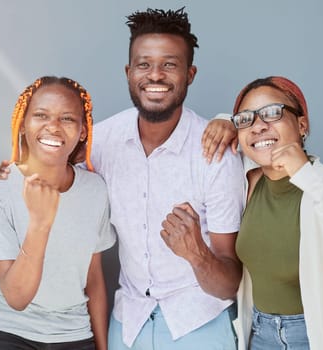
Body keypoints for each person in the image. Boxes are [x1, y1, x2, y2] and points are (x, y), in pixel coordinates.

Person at [92, 7, 245, 349]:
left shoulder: (217, 153)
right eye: (144, 64)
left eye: (170, 64)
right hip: (127, 325)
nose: (155, 75)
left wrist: (196, 253)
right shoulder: (101, 142)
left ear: (190, 74)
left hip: (200, 323)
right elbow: (50, 172)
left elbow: (230, 283)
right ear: (129, 72)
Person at [203, 76, 323, 349]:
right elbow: (231, 130)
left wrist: (304, 174)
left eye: (272, 113)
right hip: (260, 334)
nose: (258, 126)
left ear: (302, 125)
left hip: (317, 338)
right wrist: (225, 120)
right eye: (247, 119)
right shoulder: (247, 179)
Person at [0, 76, 116, 350]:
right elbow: (17, 297)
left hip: (73, 335)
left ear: (83, 131)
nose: (53, 126)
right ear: (23, 125)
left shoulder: (95, 190)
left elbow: (93, 279)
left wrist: (102, 346)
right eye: (41, 115)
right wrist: (39, 223)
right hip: (7, 333)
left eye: (67, 119)